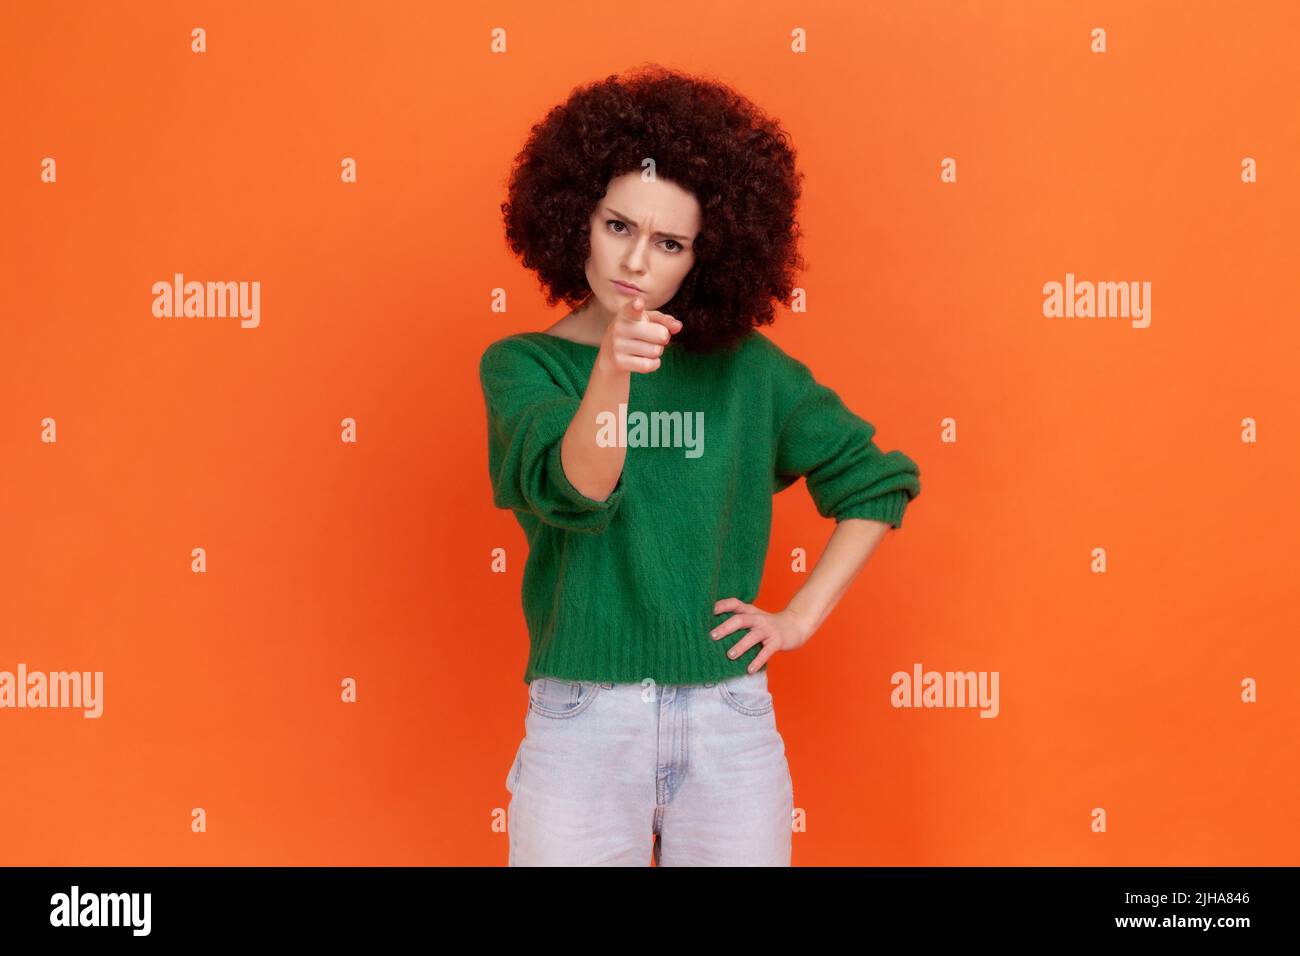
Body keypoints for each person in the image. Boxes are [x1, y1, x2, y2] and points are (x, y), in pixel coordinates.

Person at [480, 63, 922, 866]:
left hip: (727, 723)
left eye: (670, 243)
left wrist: (798, 620)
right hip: (581, 723)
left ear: (702, 258)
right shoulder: (522, 367)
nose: (637, 262)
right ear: (575, 217)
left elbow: (876, 480)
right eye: (619, 226)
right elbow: (578, 488)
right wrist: (612, 367)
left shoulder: (748, 371)